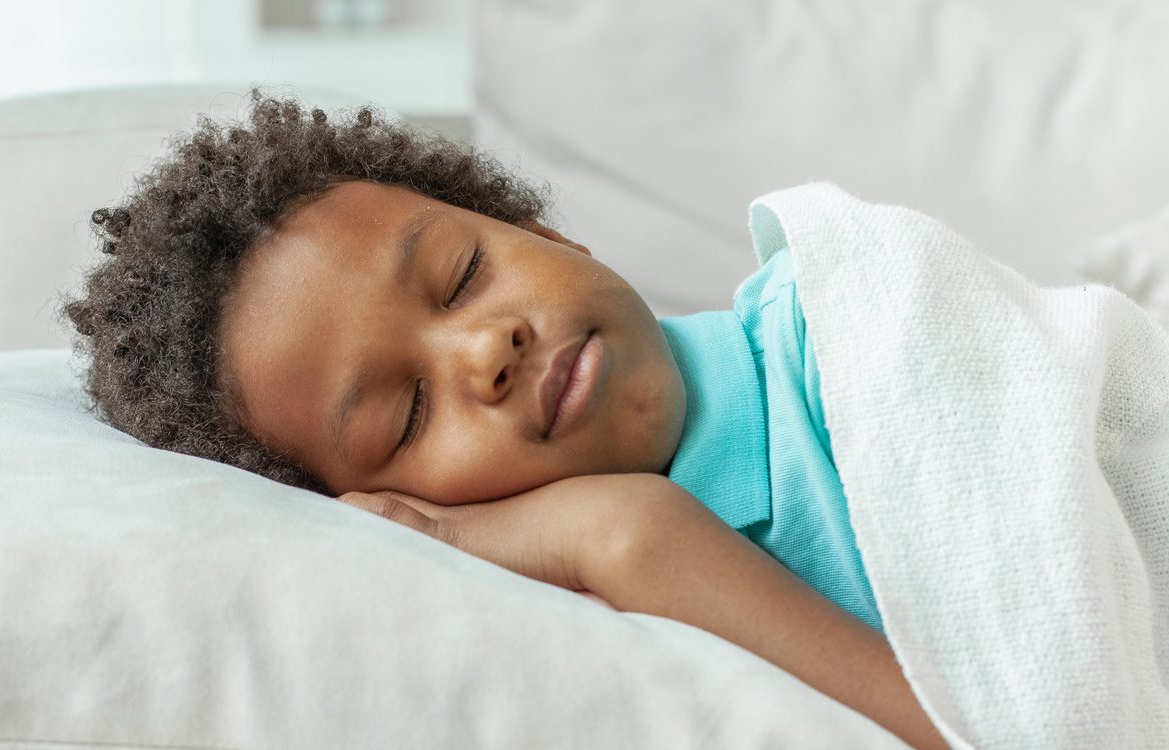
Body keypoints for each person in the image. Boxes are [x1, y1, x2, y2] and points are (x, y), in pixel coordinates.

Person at [65, 92, 948, 750]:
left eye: (463, 275)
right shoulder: (573, 636)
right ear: (376, 509)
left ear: (540, 231)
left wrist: (632, 535)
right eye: (407, 412)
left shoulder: (835, 325)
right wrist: (615, 540)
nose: (489, 349)